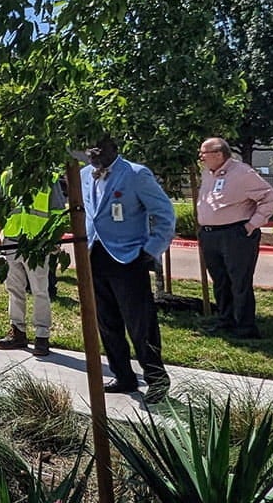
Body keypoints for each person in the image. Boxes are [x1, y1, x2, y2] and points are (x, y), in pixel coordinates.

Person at [81, 135, 176, 404]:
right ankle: (123, 375)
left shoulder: (136, 174)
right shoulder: (84, 175)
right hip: (94, 257)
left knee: (140, 323)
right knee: (106, 322)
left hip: (129, 259)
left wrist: (151, 250)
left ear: (114, 148)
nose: (94, 154)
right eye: (89, 150)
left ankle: (157, 379)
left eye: (99, 149)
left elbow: (165, 214)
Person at [196, 137, 273, 339]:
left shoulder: (242, 173)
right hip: (210, 235)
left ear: (218, 154)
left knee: (239, 281)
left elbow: (269, 196)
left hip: (235, 235)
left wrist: (252, 224)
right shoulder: (207, 173)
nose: (200, 157)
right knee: (220, 281)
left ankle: (245, 327)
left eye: (203, 153)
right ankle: (225, 320)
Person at [0, 173, 66, 357]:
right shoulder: (7, 176)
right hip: (12, 239)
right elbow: (2, 208)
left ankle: (42, 336)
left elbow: (58, 211)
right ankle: (17, 332)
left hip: (37, 242)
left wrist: (54, 238)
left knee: (40, 290)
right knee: (13, 288)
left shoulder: (49, 177)